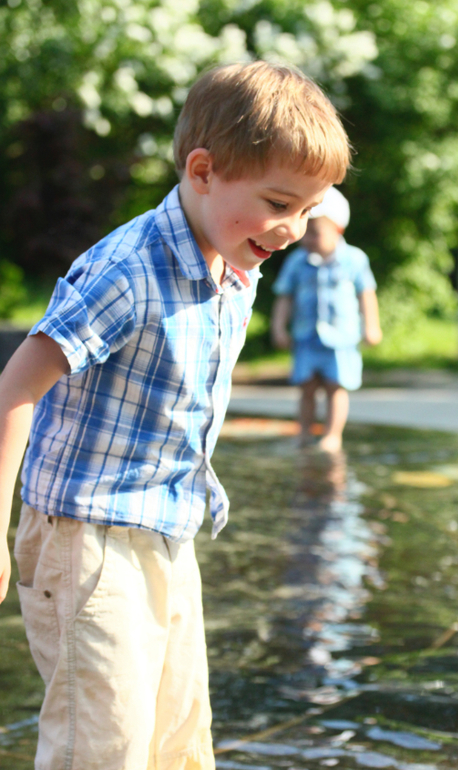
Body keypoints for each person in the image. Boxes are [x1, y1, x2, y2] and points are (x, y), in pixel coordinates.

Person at [0, 61, 350, 769]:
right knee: (101, 744)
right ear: (202, 171)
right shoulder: (129, 272)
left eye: (309, 209)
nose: (292, 229)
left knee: (178, 737)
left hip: (165, 528)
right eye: (281, 202)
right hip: (85, 536)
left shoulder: (235, 265)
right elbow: (15, 389)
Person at [271, 186, 381, 453]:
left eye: (315, 232)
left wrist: (372, 326)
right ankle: (305, 431)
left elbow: (366, 294)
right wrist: (278, 327)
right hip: (306, 336)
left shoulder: (354, 260)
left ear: (338, 230)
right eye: (304, 230)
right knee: (306, 387)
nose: (307, 238)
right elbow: (285, 296)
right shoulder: (297, 262)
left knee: (336, 386)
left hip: (341, 338)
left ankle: (333, 435)